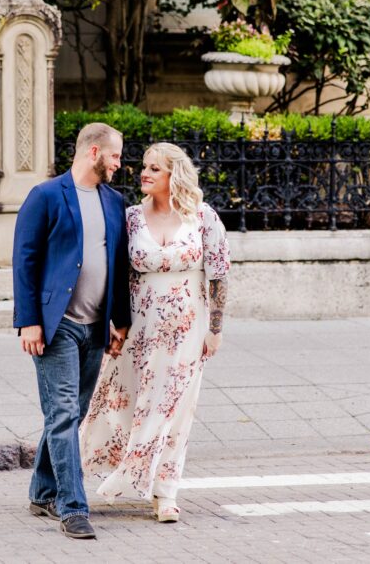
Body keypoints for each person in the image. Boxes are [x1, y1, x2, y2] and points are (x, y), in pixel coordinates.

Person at [79, 142, 230, 523]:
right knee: (124, 402)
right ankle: (95, 470)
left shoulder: (202, 216)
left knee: (174, 409)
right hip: (139, 328)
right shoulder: (130, 217)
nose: (143, 173)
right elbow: (119, 275)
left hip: (187, 330)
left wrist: (215, 329)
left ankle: (165, 492)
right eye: (144, 167)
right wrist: (114, 324)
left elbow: (219, 274)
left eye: (154, 169)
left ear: (173, 175)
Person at [12, 122, 132, 540]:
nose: (120, 164)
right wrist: (28, 320)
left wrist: (120, 321)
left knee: (70, 414)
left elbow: (118, 264)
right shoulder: (45, 196)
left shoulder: (113, 202)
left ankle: (42, 491)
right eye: (115, 156)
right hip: (55, 325)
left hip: (96, 326)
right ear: (94, 151)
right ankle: (72, 506)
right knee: (63, 413)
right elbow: (24, 260)